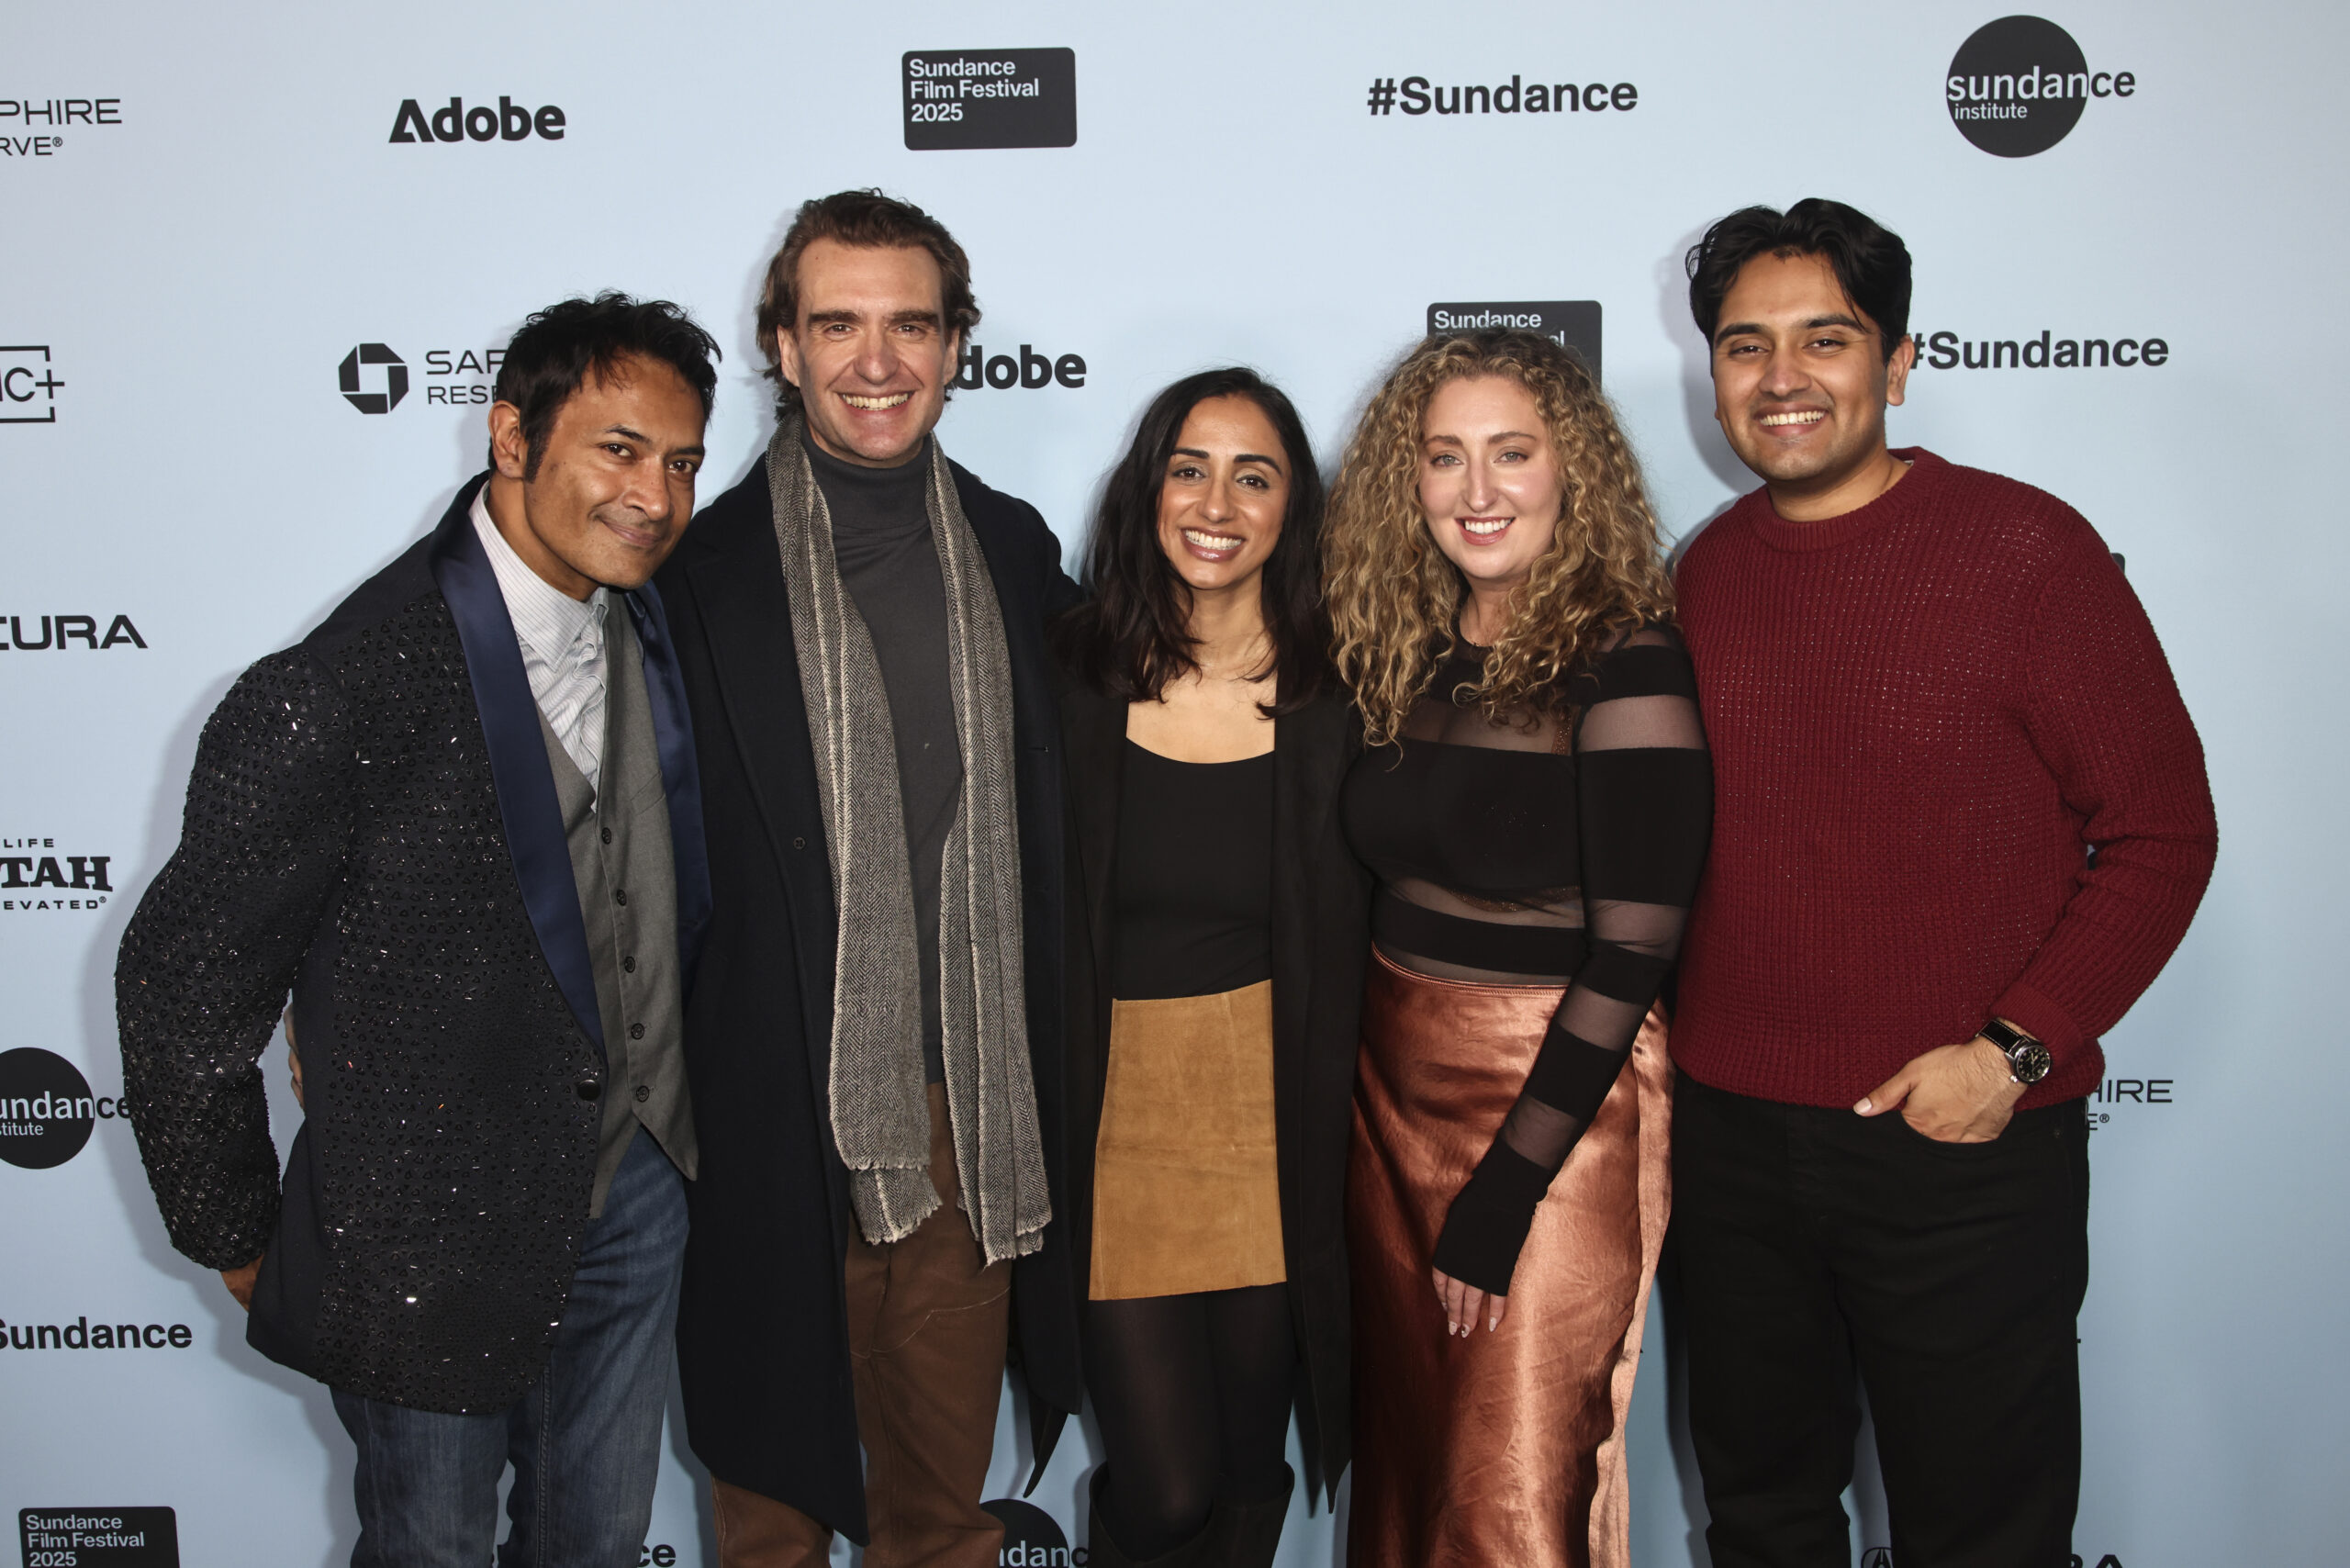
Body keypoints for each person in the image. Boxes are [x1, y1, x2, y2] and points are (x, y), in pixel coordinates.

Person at [116, 294, 722, 1568]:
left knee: (598, 1549)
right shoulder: (341, 684)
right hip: (425, 1235)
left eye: (680, 462)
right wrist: (234, 1237)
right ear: (512, 438)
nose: (656, 497)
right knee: (429, 1551)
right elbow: (183, 991)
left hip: (637, 1196)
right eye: (618, 449)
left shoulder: (661, 627)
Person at [1669, 198, 2218, 1568]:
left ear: (1899, 361)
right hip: (1729, 1146)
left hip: (1961, 1148)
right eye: (1746, 345)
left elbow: (2163, 834)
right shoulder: (1705, 574)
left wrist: (2014, 1052)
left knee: (1985, 1535)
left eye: (1826, 339)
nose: (1782, 377)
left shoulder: (2027, 551)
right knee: (1765, 1522)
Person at [655, 190, 1081, 1568]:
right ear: (782, 345)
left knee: (939, 1523)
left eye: (910, 322)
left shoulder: (1017, 554)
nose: (875, 358)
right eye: (837, 322)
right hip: (770, 1120)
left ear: (959, 345)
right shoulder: (689, 575)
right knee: (771, 1521)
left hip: (970, 1119)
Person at [1323, 329, 1713, 1567]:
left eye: (1511, 453)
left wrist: (1504, 1192)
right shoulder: (1401, 648)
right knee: (1418, 1469)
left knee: (1512, 1492)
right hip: (1391, 1102)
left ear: (1571, 470)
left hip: (1550, 1115)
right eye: (1445, 458)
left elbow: (1636, 951)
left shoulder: (1627, 659)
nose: (1477, 491)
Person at [1050, 369, 1371, 1567]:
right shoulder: (1072, 678)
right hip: (1119, 1121)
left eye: (1255, 472)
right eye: (1190, 467)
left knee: (1247, 1470)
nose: (1217, 499)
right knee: (1167, 1486)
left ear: (1296, 505)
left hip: (1279, 1122)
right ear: (1148, 489)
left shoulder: (1348, 694)